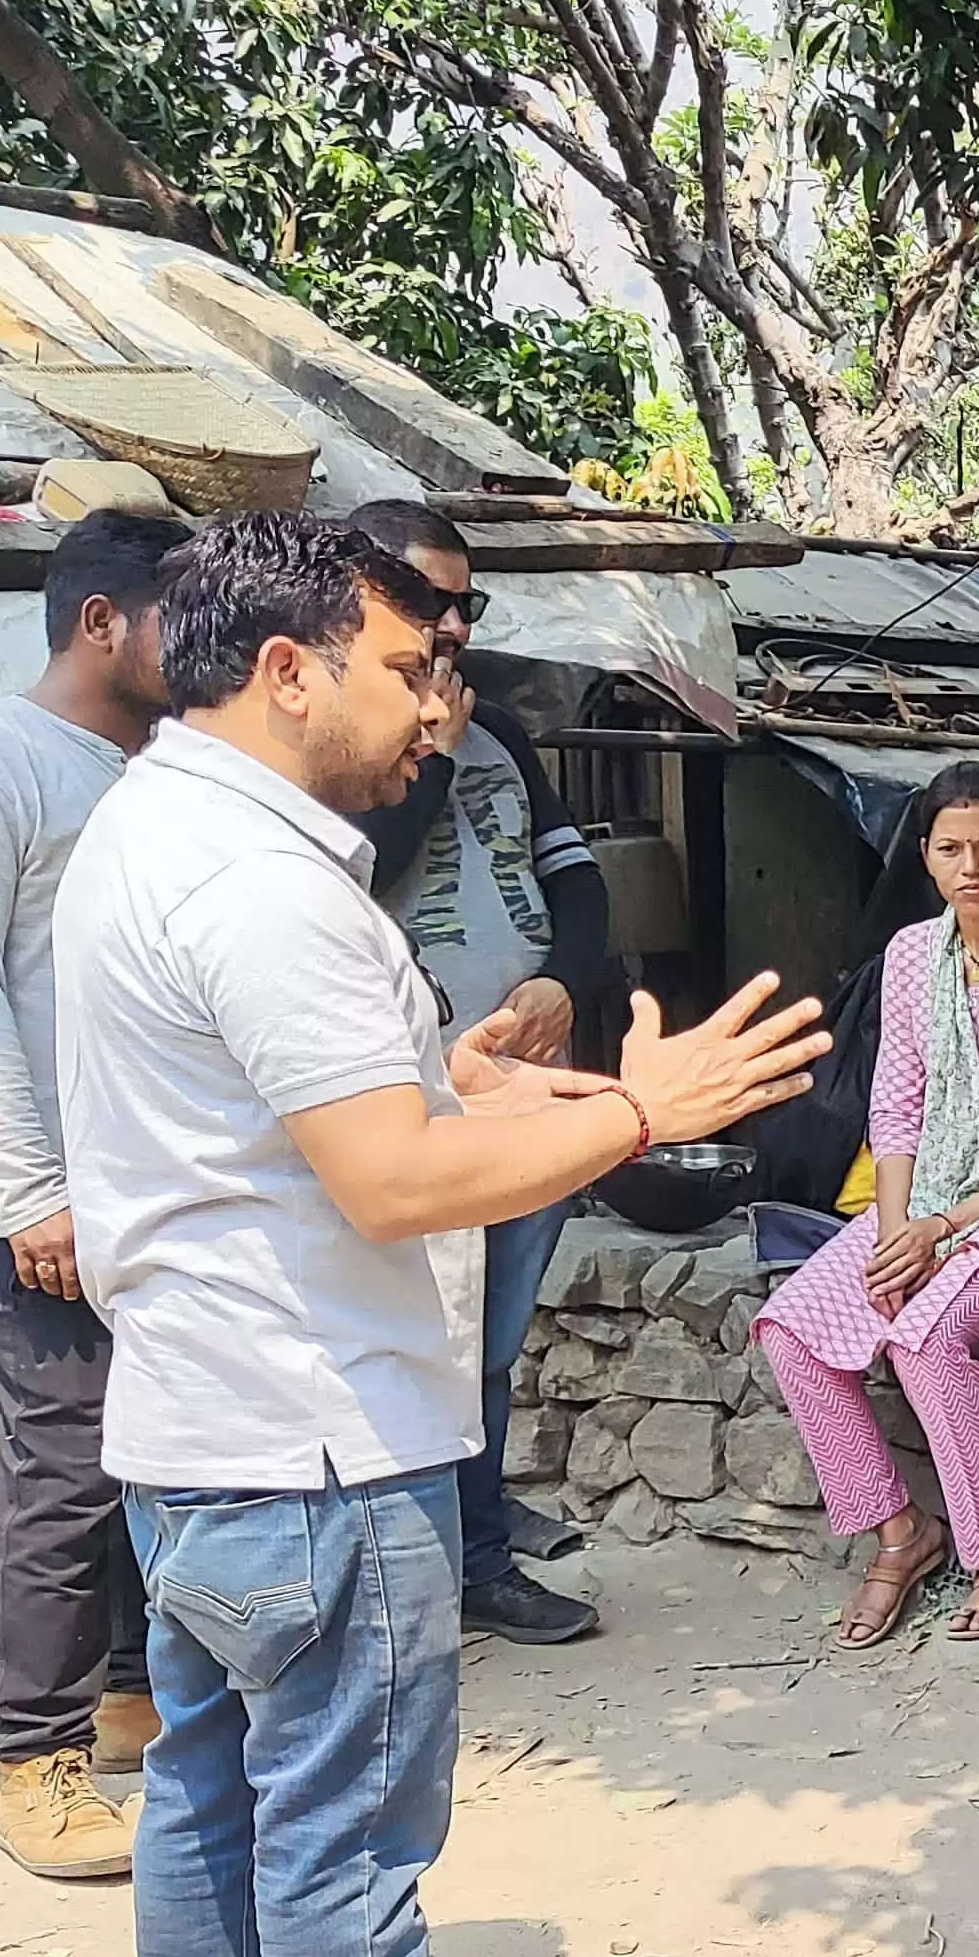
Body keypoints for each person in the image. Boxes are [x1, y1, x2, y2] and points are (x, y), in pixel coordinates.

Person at [58, 511, 821, 1957]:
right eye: (412, 667)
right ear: (290, 668)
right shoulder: (263, 885)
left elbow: (319, 1122)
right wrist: (644, 1113)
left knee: (212, 1786)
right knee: (343, 1820)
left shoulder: (155, 834)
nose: (443, 706)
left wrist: (455, 1073)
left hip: (197, 1428)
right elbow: (393, 1187)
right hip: (316, 1435)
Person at [0, 504, 187, 1880]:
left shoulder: (169, 776)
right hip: (47, 1209)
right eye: (176, 620)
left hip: (163, 1194)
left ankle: (131, 1698)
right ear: (101, 623)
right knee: (65, 1476)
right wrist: (29, 1192)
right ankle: (37, 1763)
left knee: (156, 1460)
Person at [753, 766, 979, 1646]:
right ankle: (901, 1532)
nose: (973, 867)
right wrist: (891, 1237)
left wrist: (943, 1230)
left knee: (926, 1335)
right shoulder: (913, 955)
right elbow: (897, 1104)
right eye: (952, 849)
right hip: (923, 1204)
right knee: (793, 1328)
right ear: (924, 857)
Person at [350, 499, 620, 1649]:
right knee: (427, 1339)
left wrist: (564, 978)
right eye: (428, 600)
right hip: (406, 1103)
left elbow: (579, 880)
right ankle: (426, 1572)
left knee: (495, 1337)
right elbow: (368, 869)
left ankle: (478, 1558)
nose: (452, 623)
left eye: (465, 601)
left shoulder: (499, 726)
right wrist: (432, 752)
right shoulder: (342, 746)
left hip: (522, 1087)